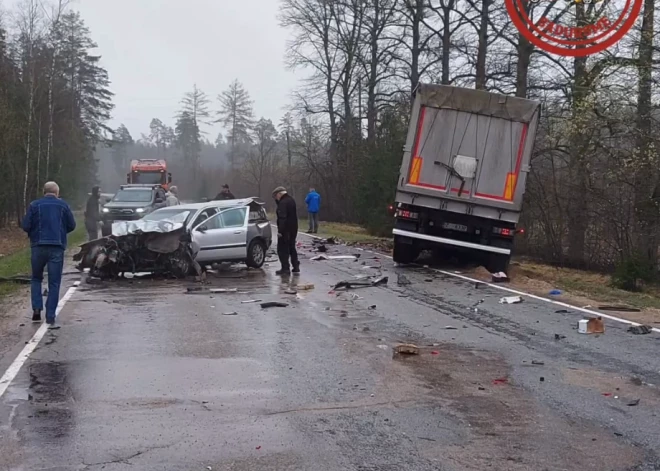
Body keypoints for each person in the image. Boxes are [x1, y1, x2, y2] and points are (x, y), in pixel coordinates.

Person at [22, 181, 76, 327]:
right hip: (56, 247)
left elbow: (26, 225)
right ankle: (50, 315)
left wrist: (34, 234)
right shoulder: (63, 205)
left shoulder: (34, 205)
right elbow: (72, 225)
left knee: (36, 278)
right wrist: (60, 232)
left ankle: (37, 308)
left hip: (38, 246)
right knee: (54, 282)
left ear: (44, 191)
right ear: (57, 192)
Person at [273, 186, 300, 275]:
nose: (276, 198)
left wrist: (280, 231)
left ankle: (285, 268)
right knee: (292, 247)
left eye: (276, 196)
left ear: (280, 194)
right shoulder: (291, 200)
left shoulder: (283, 203)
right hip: (293, 228)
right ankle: (296, 266)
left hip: (285, 229)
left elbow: (282, 218)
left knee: (282, 249)